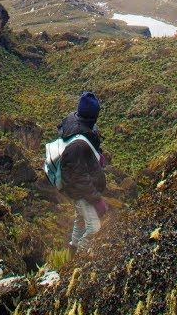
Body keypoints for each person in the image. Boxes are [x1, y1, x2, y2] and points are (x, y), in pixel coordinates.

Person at [56, 91, 108, 252]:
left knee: (80, 220)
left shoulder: (78, 125)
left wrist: (95, 156)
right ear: (92, 115)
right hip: (80, 191)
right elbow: (78, 177)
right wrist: (96, 199)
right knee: (94, 228)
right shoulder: (77, 144)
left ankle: (72, 248)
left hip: (80, 189)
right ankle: (78, 259)